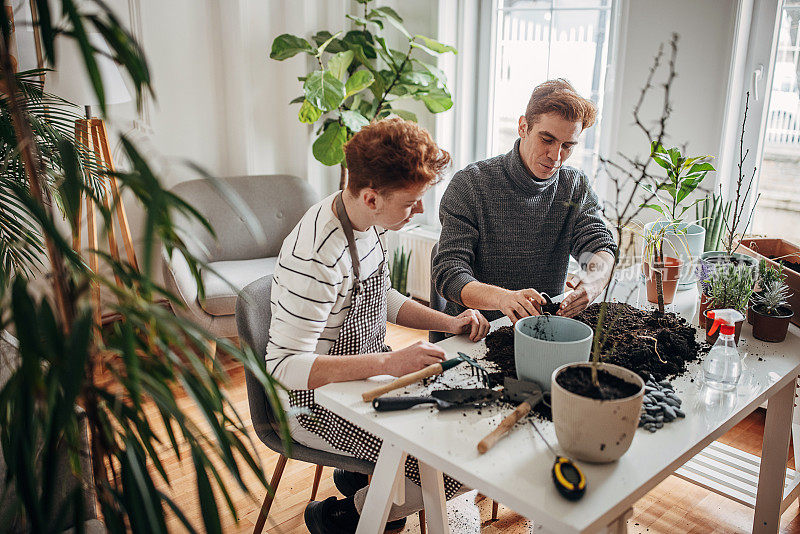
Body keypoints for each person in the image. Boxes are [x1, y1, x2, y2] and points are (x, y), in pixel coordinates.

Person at [266, 118, 490, 534]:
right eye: (410, 203)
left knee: (458, 435)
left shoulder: (367, 222)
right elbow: (284, 368)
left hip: (362, 382)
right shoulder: (318, 255)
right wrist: (391, 362)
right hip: (312, 403)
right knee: (452, 470)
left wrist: (451, 321)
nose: (419, 210)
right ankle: (345, 517)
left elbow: (381, 297)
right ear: (371, 197)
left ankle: (364, 491)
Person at [433, 79, 616, 324]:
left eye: (567, 146)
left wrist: (592, 286)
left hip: (545, 327)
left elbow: (600, 247)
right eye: (547, 139)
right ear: (523, 127)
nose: (556, 156)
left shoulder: (575, 186)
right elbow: (449, 272)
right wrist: (502, 299)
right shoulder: (471, 184)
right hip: (478, 330)